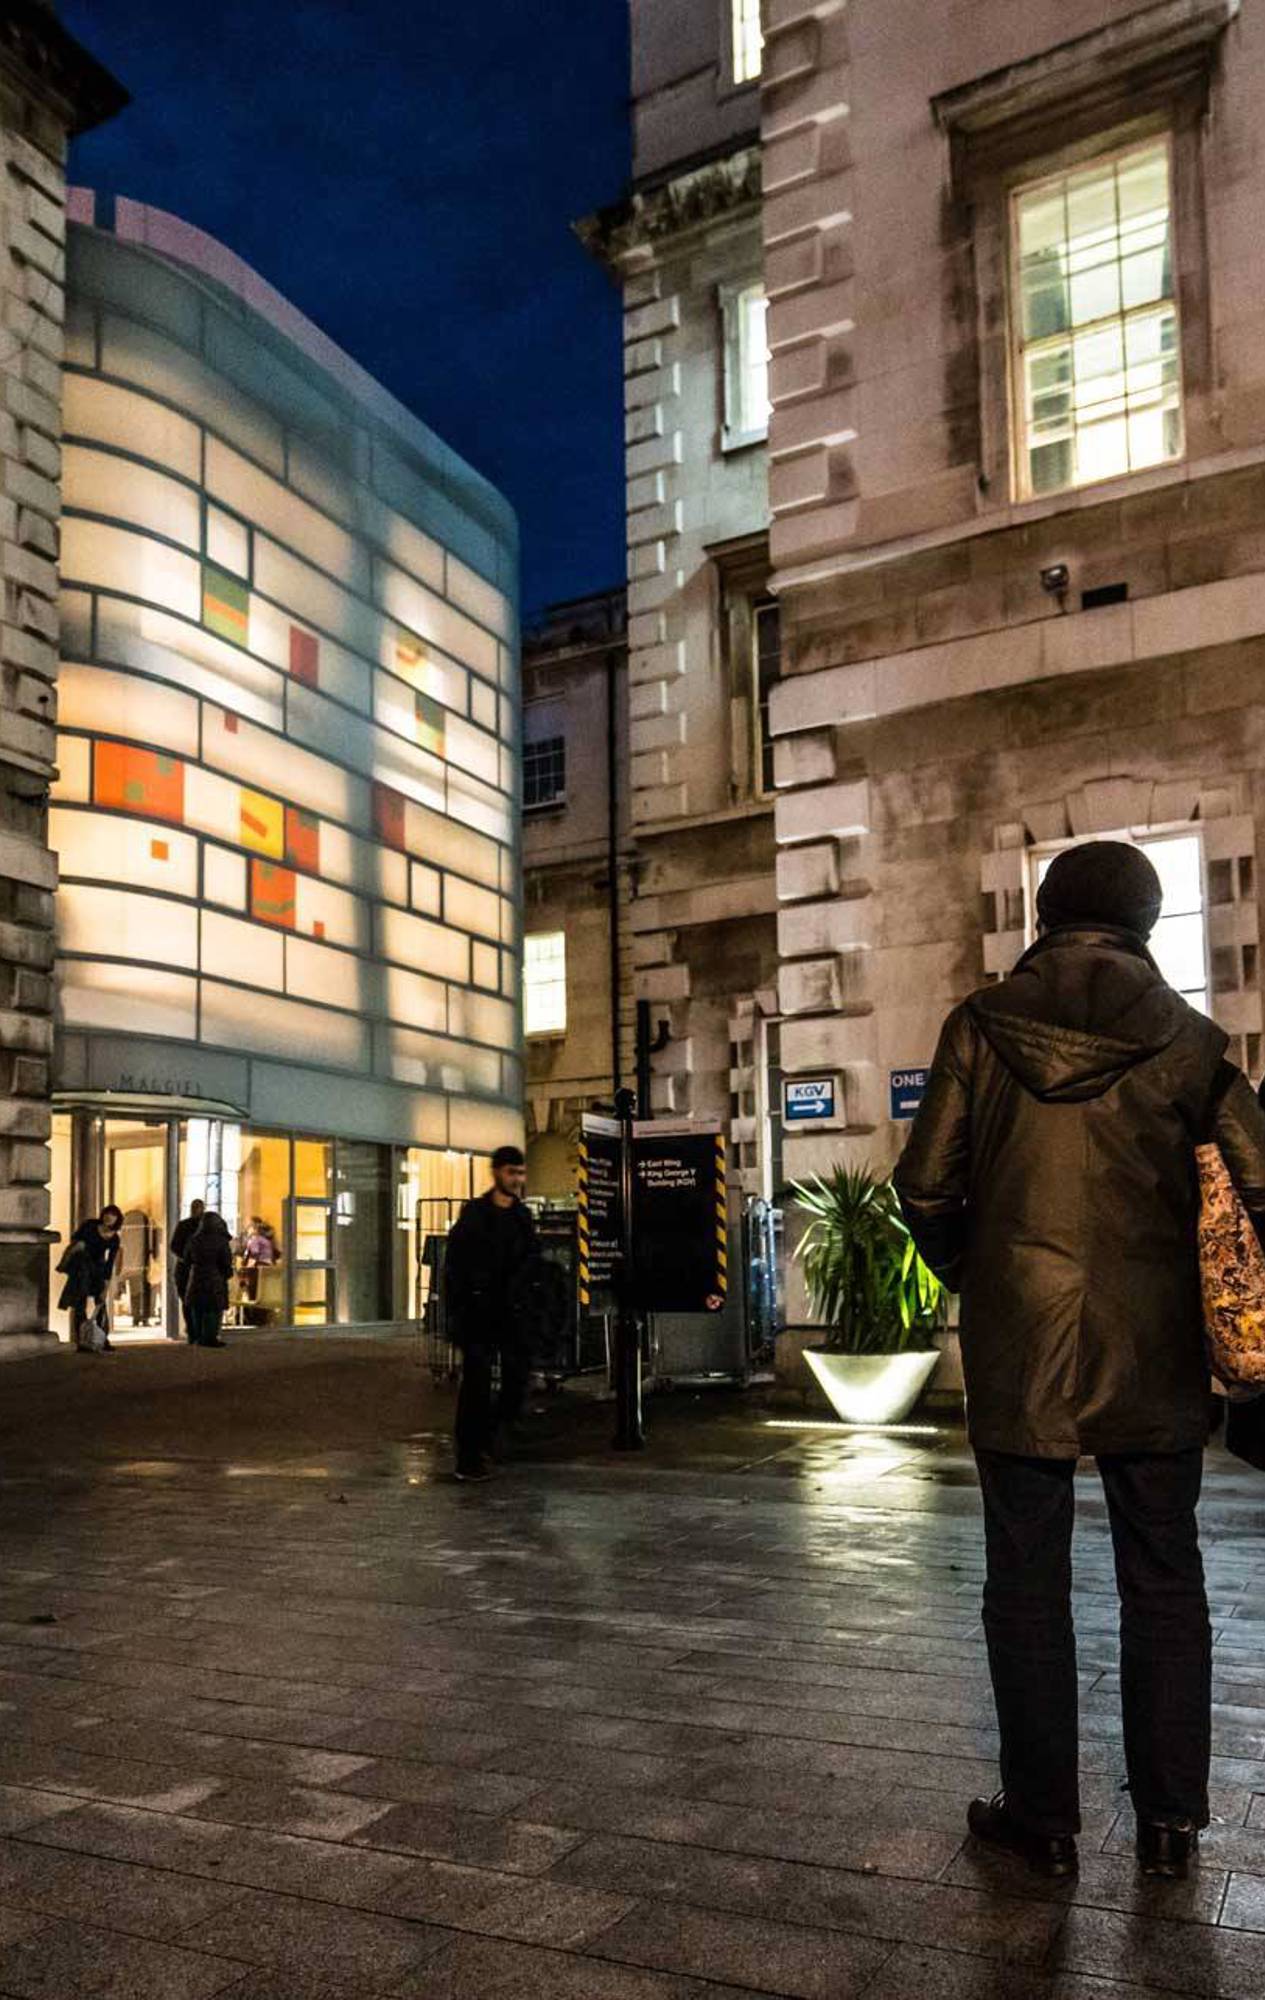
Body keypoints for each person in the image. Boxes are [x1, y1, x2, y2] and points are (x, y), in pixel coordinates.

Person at [894, 840, 1265, 1883]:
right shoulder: (1189, 1041)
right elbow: (1261, 1178)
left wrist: (980, 1269)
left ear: (1045, 915)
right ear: (1144, 922)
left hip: (1021, 1346)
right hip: (1152, 1348)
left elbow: (923, 1183)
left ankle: (1043, 1819)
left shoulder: (977, 1026)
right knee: (1162, 1576)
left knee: (1023, 1578)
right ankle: (1168, 1821)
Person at [445, 1145, 539, 1482]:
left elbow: (532, 1262)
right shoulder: (474, 1215)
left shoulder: (522, 1217)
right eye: (511, 1172)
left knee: (517, 1378)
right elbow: (454, 1265)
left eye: (520, 1173)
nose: (517, 1179)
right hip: (478, 1312)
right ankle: (469, 1455)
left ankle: (491, 1435)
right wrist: (459, 1307)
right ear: (497, 1172)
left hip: (512, 1312)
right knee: (477, 1384)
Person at [58, 1204, 123, 1352]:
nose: (109, 1217)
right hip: (82, 1267)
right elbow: (75, 1239)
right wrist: (80, 1245)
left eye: (113, 1215)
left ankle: (102, 1339)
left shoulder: (114, 1239)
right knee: (79, 1303)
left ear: (117, 1219)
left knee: (100, 1303)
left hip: (98, 1269)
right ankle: (81, 1341)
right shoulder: (90, 1225)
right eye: (107, 1213)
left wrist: (106, 1287)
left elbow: (110, 1263)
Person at [182, 1211, 233, 1348]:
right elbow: (226, 1261)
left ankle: (198, 1336)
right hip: (214, 1277)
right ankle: (209, 1338)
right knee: (213, 1309)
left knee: (197, 1308)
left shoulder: (193, 1239)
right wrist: (227, 1274)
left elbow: (186, 1259)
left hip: (196, 1277)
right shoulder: (221, 1241)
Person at [170, 1199, 205, 1341]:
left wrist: (184, 1258)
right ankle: (196, 1332)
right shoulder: (205, 1227)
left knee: (188, 1301)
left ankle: (193, 1333)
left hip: (186, 1267)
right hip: (193, 1268)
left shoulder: (185, 1225)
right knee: (193, 1301)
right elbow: (174, 1246)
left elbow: (174, 1246)